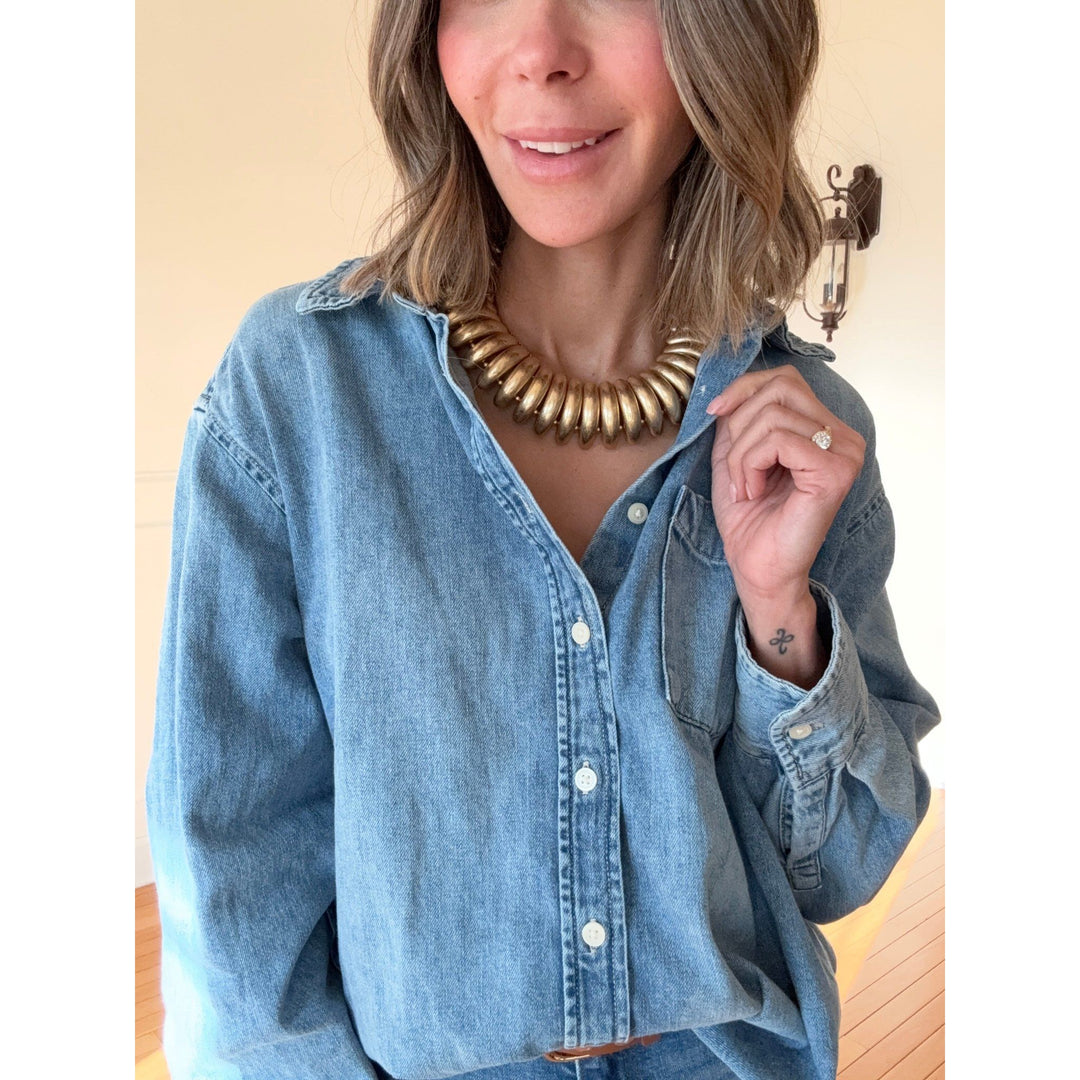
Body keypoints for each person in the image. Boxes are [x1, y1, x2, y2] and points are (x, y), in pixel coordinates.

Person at [145, 1, 940, 1078]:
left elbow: (838, 867)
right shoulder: (298, 396)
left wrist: (777, 621)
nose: (540, 56)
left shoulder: (807, 428)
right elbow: (231, 867)